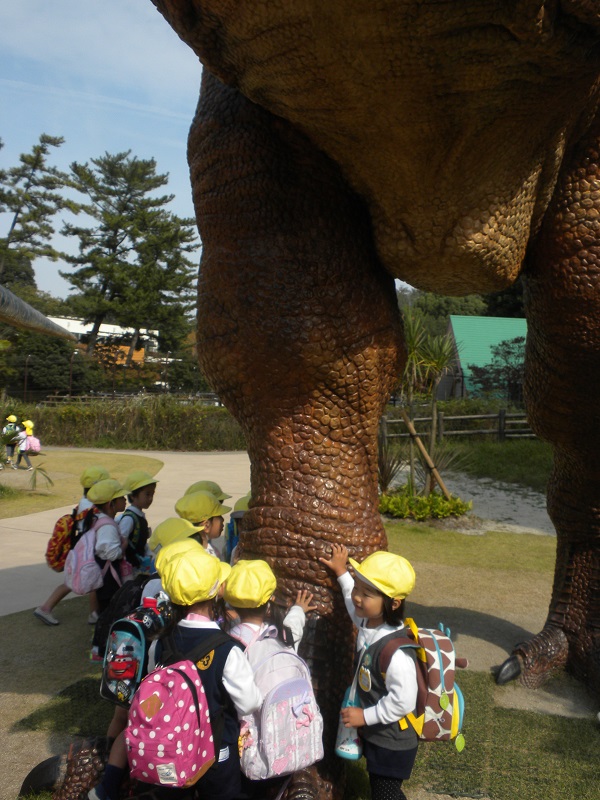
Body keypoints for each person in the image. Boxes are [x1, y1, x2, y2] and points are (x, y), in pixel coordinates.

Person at [89, 539, 262, 800]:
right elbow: (248, 703)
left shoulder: (159, 643)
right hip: (216, 754)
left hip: (171, 750)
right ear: (216, 591)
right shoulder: (229, 650)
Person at [320, 545, 419, 800]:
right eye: (358, 588)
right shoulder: (369, 623)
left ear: (394, 603)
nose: (357, 597)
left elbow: (403, 700)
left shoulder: (396, 654)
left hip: (393, 742)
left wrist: (365, 716)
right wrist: (342, 573)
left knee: (384, 794)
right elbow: (352, 607)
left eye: (367, 594)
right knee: (384, 792)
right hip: (378, 734)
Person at [34, 465, 109, 626]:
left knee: (72, 582)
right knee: (94, 581)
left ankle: (46, 608)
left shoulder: (84, 502)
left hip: (78, 550)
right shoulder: (93, 507)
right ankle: (94, 614)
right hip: (86, 553)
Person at [224, 558, 316, 651]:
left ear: (232, 604)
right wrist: (298, 609)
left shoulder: (223, 643)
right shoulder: (283, 638)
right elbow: (293, 627)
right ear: (270, 601)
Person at [88, 479, 128, 659]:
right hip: (108, 579)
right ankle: (100, 648)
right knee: (108, 614)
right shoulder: (107, 526)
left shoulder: (102, 520)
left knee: (107, 614)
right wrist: (123, 546)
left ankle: (100, 646)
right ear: (111, 504)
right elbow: (111, 553)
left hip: (105, 576)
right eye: (121, 498)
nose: (125, 500)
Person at [117, 470, 158, 576]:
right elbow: (121, 540)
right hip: (130, 569)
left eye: (152, 494)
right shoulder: (129, 519)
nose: (150, 498)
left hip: (139, 565)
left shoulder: (139, 516)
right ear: (132, 496)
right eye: (147, 494)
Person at [174, 490, 231, 558]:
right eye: (219, 516)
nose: (222, 519)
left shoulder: (178, 549)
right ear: (206, 525)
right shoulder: (206, 557)